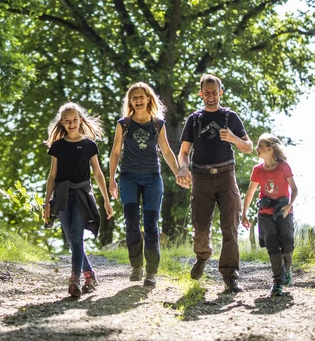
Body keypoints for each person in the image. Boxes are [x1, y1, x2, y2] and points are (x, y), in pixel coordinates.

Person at [177, 74, 253, 293]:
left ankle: (229, 276)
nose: (210, 96)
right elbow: (184, 153)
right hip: (200, 176)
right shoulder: (194, 119)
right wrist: (183, 167)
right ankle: (202, 256)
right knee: (200, 226)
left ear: (221, 92)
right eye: (206, 93)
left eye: (214, 92)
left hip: (226, 175)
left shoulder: (231, 117)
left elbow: (248, 146)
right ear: (201, 94)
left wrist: (234, 139)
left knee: (230, 226)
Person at [108, 82, 181, 288]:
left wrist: (177, 172)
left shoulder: (158, 124)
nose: (138, 101)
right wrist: (111, 178)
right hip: (129, 178)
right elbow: (115, 152)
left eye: (141, 97)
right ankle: (136, 266)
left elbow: (166, 151)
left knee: (151, 224)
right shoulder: (124, 124)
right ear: (130, 102)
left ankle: (151, 271)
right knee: (131, 222)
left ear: (149, 98)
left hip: (152, 178)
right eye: (134, 98)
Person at [43, 102, 115, 298]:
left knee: (76, 238)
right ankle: (90, 275)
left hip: (83, 195)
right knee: (71, 239)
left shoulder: (89, 145)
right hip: (63, 195)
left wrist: (107, 201)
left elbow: (98, 174)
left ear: (80, 120)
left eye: (75, 120)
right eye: (67, 121)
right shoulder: (57, 146)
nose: (71, 123)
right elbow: (52, 176)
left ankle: (75, 278)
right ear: (62, 123)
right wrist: (46, 203)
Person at [241, 133, 298, 296]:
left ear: (270, 149)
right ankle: (277, 282)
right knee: (273, 248)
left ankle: (287, 270)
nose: (257, 149)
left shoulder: (283, 167)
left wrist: (288, 206)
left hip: (283, 212)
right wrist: (244, 214)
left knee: (287, 247)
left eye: (260, 146)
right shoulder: (257, 170)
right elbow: (250, 193)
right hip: (265, 214)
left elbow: (294, 189)